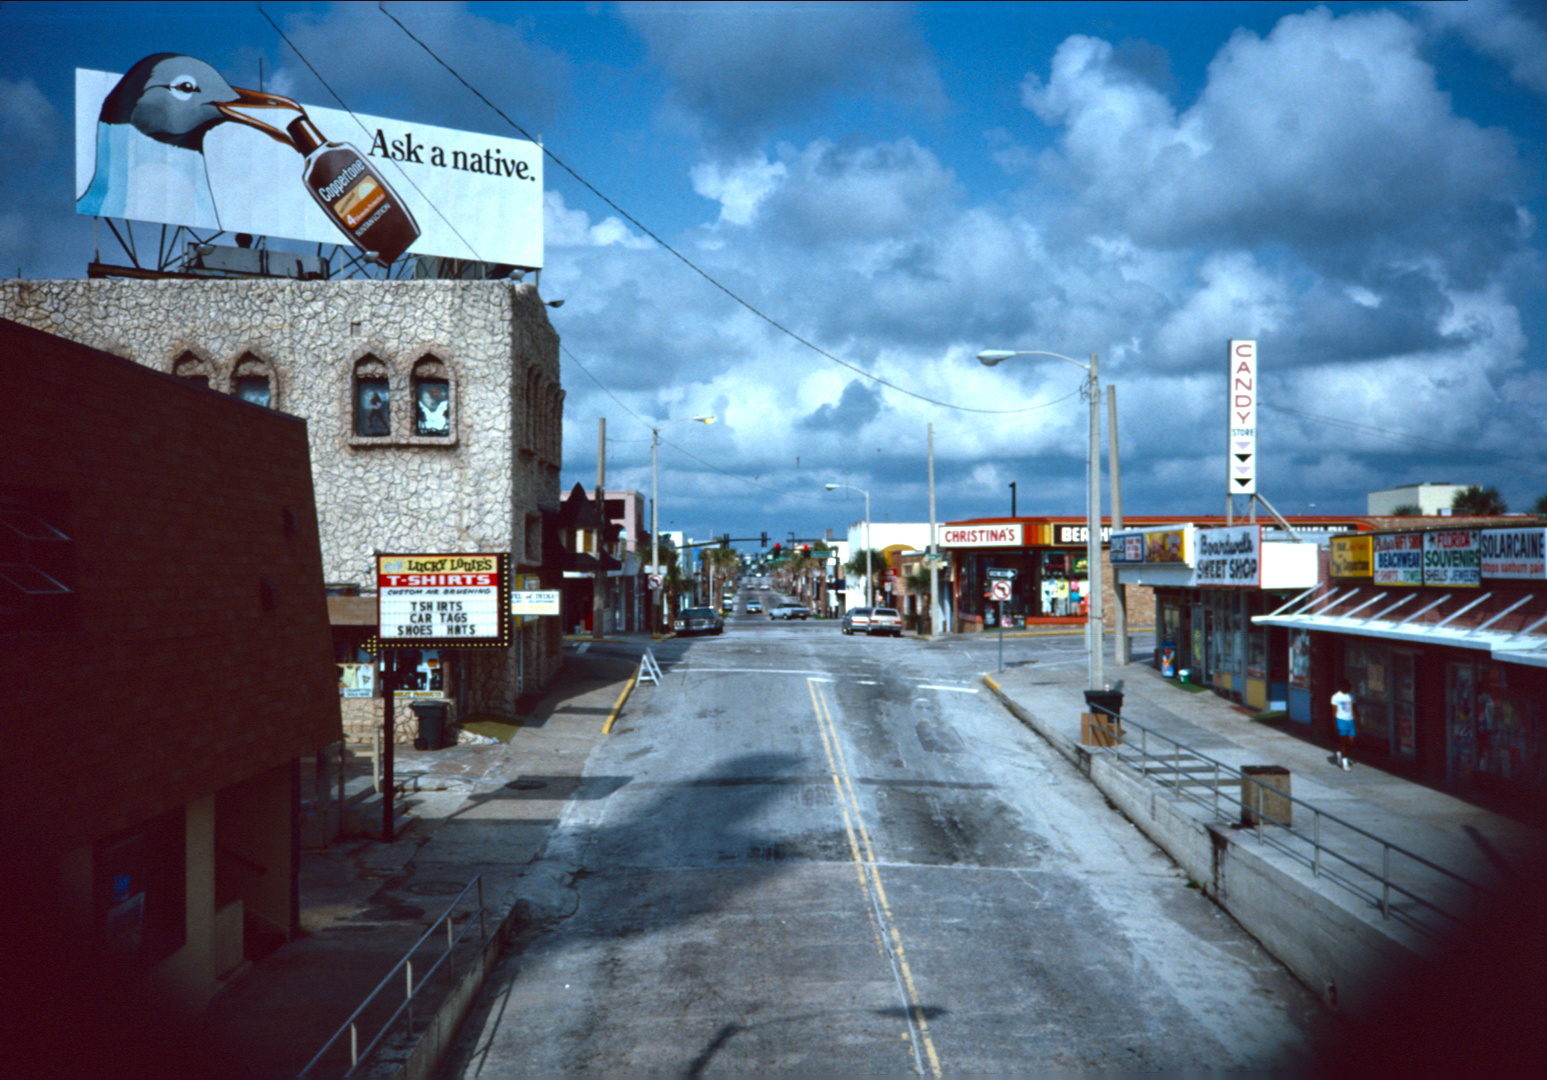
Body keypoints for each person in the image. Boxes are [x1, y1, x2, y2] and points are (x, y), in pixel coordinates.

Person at [1331, 678, 1357, 770]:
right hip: (1341, 720)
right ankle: (1345, 762)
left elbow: (1354, 710)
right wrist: (1335, 725)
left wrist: (1357, 723)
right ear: (1343, 686)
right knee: (1343, 742)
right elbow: (1334, 712)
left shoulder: (1351, 697)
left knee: (1351, 741)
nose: (1349, 687)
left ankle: (1341, 753)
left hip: (1350, 721)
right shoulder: (1336, 697)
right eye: (1347, 686)